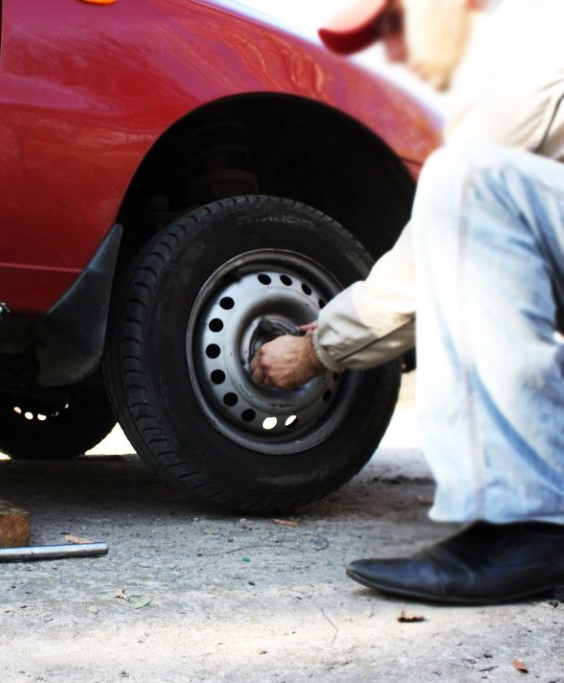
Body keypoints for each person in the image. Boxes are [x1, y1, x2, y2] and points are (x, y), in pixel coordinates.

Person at [250, 0, 564, 604]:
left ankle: (531, 531)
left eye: (397, 24)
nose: (393, 52)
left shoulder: (526, 40)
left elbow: (428, 261)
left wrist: (317, 347)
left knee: (467, 182)